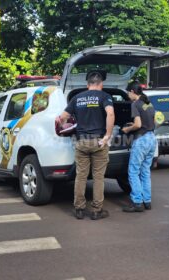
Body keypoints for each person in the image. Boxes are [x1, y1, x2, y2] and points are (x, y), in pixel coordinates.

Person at [56, 71, 115, 220]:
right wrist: (107, 135)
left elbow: (62, 118)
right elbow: (110, 114)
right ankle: (96, 211)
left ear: (87, 84)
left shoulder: (77, 98)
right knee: (98, 177)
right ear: (100, 84)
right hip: (99, 142)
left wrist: (63, 128)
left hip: (81, 141)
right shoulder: (105, 96)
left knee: (81, 176)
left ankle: (79, 209)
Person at [122, 82, 156, 212]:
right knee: (145, 171)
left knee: (133, 171)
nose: (128, 96)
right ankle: (147, 201)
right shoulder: (148, 103)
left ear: (132, 91)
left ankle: (137, 202)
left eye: (128, 93)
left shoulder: (135, 104)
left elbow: (137, 124)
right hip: (152, 138)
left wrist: (127, 129)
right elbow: (154, 121)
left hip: (141, 140)